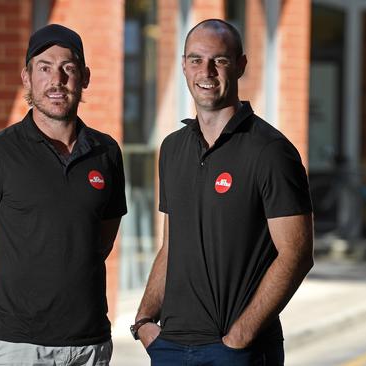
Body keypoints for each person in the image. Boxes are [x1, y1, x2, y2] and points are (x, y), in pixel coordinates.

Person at [132, 19, 313, 365]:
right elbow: (172, 245)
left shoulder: (271, 151)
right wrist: (143, 320)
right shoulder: (172, 149)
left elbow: (296, 254)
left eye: (221, 60)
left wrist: (240, 336)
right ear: (183, 66)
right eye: (197, 60)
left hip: (235, 350)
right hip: (169, 345)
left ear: (241, 65)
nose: (207, 71)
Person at [0, 24, 127, 366]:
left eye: (68, 69)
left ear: (84, 77)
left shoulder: (106, 152)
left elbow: (98, 241)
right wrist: (7, 304)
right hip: (16, 347)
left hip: (89, 344)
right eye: (44, 68)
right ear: (26, 78)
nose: (56, 80)